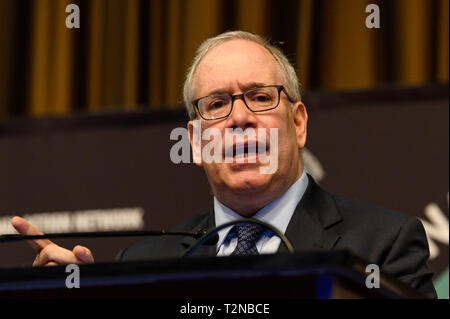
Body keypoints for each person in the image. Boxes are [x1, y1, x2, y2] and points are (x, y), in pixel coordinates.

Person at [11, 31, 436, 297]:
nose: (239, 118)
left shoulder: (384, 243)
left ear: (299, 122)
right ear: (195, 142)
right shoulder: (142, 263)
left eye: (260, 96)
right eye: (216, 104)